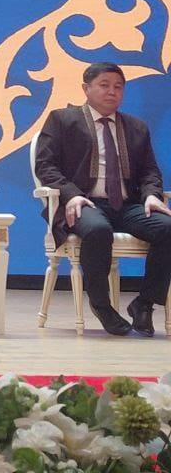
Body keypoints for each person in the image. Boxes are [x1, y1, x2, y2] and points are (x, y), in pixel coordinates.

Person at [34, 61, 171, 336]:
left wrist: (152, 195)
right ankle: (102, 305)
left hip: (127, 205)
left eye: (118, 87)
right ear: (86, 88)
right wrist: (71, 194)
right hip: (85, 202)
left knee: (168, 228)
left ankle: (144, 303)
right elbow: (45, 166)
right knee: (97, 230)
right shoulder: (62, 120)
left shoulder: (136, 127)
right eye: (104, 85)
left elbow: (149, 171)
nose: (112, 92)